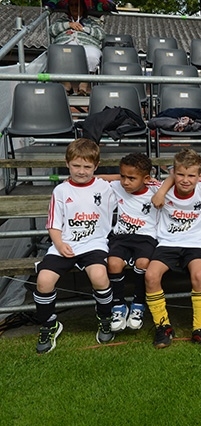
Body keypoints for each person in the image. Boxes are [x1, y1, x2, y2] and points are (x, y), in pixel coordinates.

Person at [34, 138, 115, 354]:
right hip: (65, 244)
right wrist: (59, 244)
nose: (81, 171)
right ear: (67, 164)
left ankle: (105, 318)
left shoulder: (105, 188)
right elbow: (53, 225)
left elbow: (130, 178)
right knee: (43, 280)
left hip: (94, 244)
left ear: (96, 166)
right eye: (76, 165)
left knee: (99, 276)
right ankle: (49, 324)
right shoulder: (60, 191)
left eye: (87, 167)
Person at [145, 148, 201, 349]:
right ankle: (163, 327)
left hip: (196, 243)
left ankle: (200, 328)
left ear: (200, 176)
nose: (185, 180)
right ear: (173, 173)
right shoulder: (160, 188)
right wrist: (162, 190)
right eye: (180, 175)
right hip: (168, 242)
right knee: (151, 276)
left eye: (191, 176)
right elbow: (128, 178)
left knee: (199, 275)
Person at [107, 153, 159, 333]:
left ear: (146, 178)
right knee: (113, 263)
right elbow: (104, 179)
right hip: (121, 237)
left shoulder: (155, 191)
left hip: (146, 237)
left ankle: (138, 304)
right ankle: (118, 305)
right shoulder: (118, 186)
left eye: (131, 178)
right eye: (122, 176)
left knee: (143, 263)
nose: (125, 182)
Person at [49, 0, 105, 96]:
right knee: (59, 54)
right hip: (65, 43)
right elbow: (52, 30)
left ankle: (83, 86)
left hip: (87, 45)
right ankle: (66, 85)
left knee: (91, 56)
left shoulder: (91, 22)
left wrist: (83, 29)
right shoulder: (62, 20)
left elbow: (101, 34)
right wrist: (69, 25)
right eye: (72, 5)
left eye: (77, 5)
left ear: (82, 7)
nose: (74, 7)